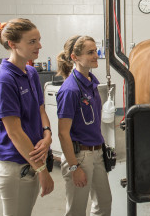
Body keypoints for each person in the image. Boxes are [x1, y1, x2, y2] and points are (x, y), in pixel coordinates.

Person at [0, 19, 54, 215]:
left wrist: (47, 135)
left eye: (39, 40)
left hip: (31, 161)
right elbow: (14, 132)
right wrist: (42, 171)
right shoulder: (4, 80)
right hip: (16, 167)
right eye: (32, 42)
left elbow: (41, 109)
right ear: (12, 45)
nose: (39, 46)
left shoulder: (31, 72)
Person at [56, 35, 112, 216]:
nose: (96, 55)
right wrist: (74, 167)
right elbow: (63, 134)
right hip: (79, 156)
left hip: (97, 153)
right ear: (74, 57)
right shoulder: (70, 90)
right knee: (77, 210)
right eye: (90, 52)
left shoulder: (92, 84)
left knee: (104, 203)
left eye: (95, 51)